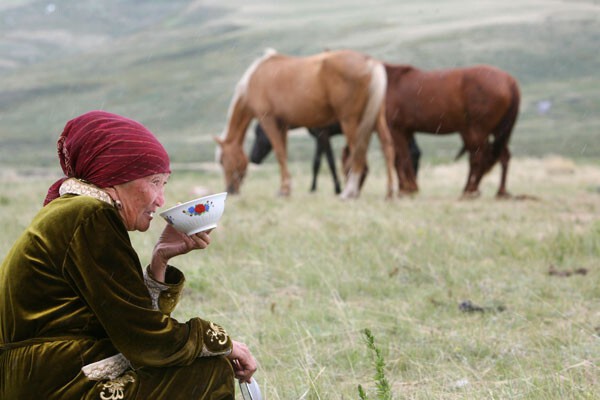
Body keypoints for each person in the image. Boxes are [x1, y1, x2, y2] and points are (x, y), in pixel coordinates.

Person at [0, 110, 256, 399]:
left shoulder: (71, 212)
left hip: (42, 378)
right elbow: (145, 341)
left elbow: (128, 322)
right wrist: (221, 342)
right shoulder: (89, 215)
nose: (161, 199)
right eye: (154, 182)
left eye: (164, 184)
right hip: (57, 383)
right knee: (209, 372)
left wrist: (160, 259)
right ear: (117, 178)